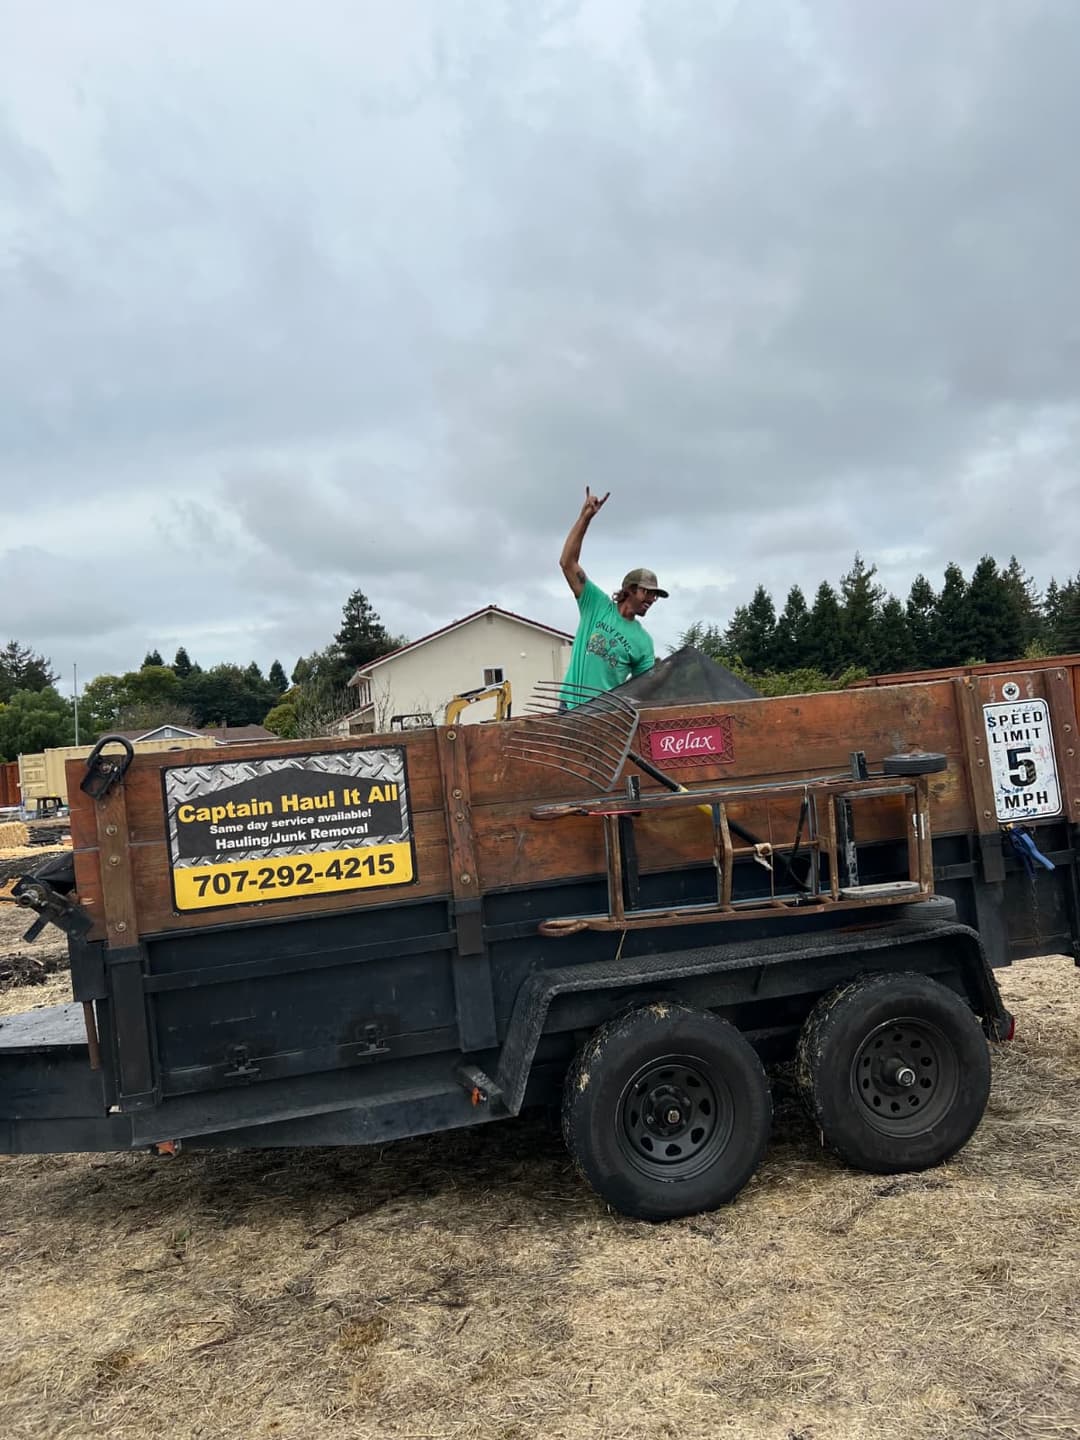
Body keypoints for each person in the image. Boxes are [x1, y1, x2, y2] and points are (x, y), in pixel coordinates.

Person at [559, 487, 667, 708]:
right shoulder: (595, 605)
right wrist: (585, 518)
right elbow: (567, 563)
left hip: (604, 717)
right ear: (629, 589)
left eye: (655, 595)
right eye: (647, 592)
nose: (652, 599)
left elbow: (643, 689)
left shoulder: (643, 642)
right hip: (569, 708)